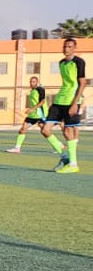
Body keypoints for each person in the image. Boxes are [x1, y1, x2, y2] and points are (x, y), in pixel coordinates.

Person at [42, 37, 86, 174]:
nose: (66, 49)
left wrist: (75, 103)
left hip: (72, 100)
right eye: (65, 46)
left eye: (69, 47)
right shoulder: (61, 63)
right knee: (45, 129)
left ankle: (73, 164)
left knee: (68, 131)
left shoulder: (79, 62)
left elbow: (82, 83)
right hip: (60, 99)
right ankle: (65, 157)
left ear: (74, 48)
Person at [7, 75, 48, 153]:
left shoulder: (40, 89)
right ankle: (17, 148)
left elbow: (42, 102)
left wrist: (32, 109)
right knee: (23, 129)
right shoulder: (32, 91)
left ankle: (59, 145)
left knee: (45, 131)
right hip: (33, 114)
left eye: (34, 81)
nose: (32, 83)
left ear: (37, 82)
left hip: (39, 114)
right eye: (31, 81)